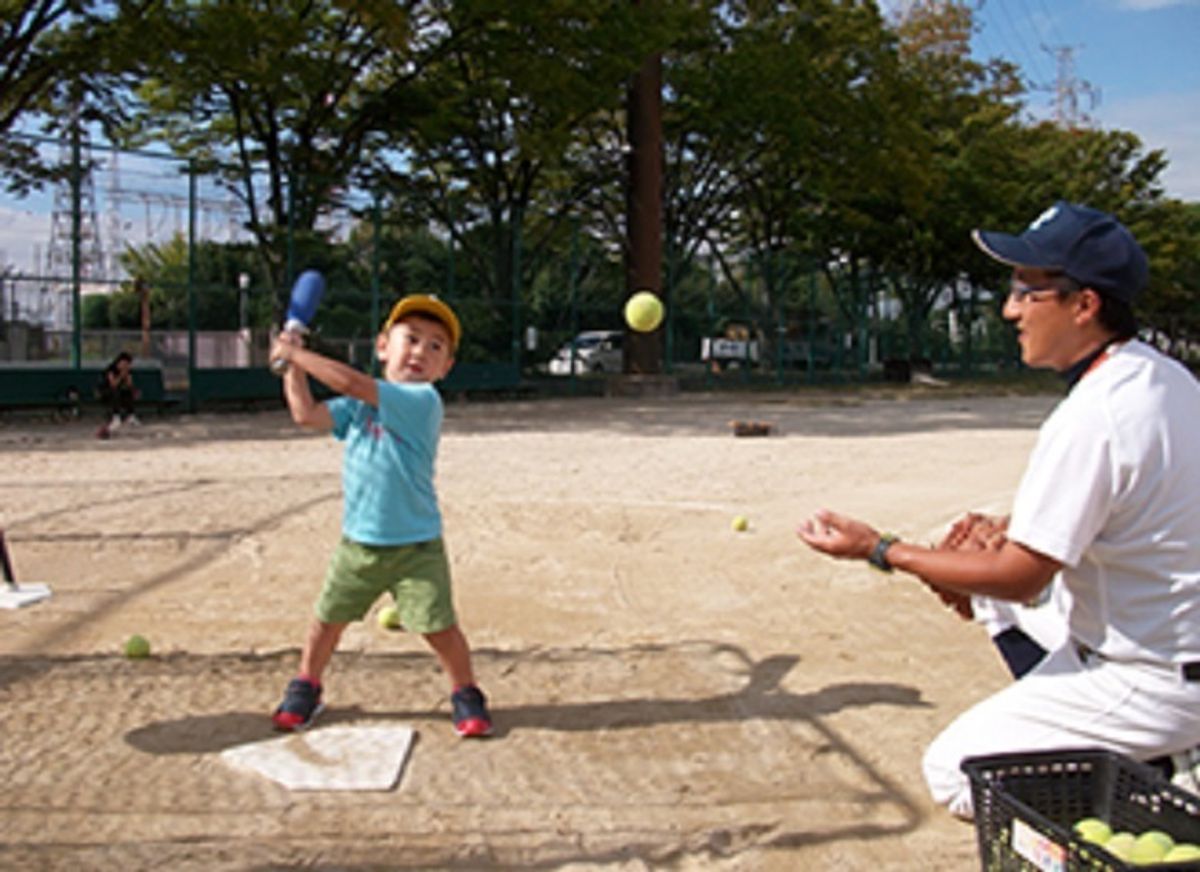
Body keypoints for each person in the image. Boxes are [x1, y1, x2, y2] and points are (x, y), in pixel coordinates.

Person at [797, 201, 1200, 819]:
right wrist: (1007, 531)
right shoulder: (1166, 378)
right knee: (990, 597)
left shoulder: (1094, 415)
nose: (1011, 310)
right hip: (1171, 645)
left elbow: (1021, 576)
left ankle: (1158, 777)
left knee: (956, 772)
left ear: (1084, 305)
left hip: (1151, 679)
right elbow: (1138, 506)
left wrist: (880, 549)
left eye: (1026, 291)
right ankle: (1139, 754)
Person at [268, 293, 493, 738]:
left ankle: (466, 692)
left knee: (441, 629)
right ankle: (306, 685)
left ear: (446, 367)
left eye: (435, 346)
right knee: (326, 622)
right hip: (359, 543)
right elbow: (305, 414)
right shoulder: (359, 408)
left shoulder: (422, 400)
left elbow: (351, 383)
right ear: (383, 346)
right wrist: (291, 366)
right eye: (412, 338)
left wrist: (295, 353)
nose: (421, 351)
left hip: (416, 547)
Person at [95, 351, 140, 439]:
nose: (126, 366)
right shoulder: (111, 370)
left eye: (128, 364)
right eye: (124, 363)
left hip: (120, 391)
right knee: (115, 392)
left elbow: (130, 385)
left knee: (128, 392)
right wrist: (121, 376)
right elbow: (113, 384)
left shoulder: (128, 371)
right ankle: (116, 416)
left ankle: (131, 415)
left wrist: (127, 377)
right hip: (105, 392)